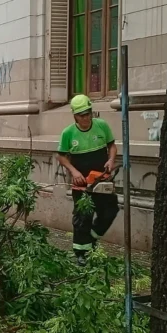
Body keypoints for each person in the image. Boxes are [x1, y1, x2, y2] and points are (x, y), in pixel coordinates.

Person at [56, 95, 119, 266]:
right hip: (81, 182)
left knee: (110, 210)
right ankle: (81, 252)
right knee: (83, 215)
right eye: (82, 115)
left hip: (102, 180)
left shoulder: (102, 126)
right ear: (75, 116)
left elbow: (112, 145)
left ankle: (92, 237)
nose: (86, 118)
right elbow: (61, 156)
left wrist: (111, 160)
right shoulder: (68, 133)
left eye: (88, 114)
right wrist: (74, 171)